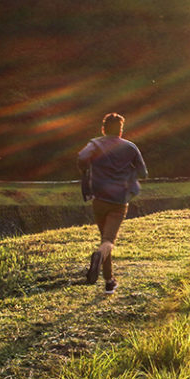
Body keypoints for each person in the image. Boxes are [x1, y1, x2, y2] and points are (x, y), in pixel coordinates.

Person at [76, 113, 147, 294]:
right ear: (121, 131)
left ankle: (109, 282)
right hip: (119, 201)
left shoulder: (95, 144)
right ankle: (99, 258)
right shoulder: (130, 147)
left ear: (103, 129)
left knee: (104, 240)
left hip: (99, 200)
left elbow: (82, 157)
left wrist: (88, 169)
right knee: (108, 241)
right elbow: (143, 173)